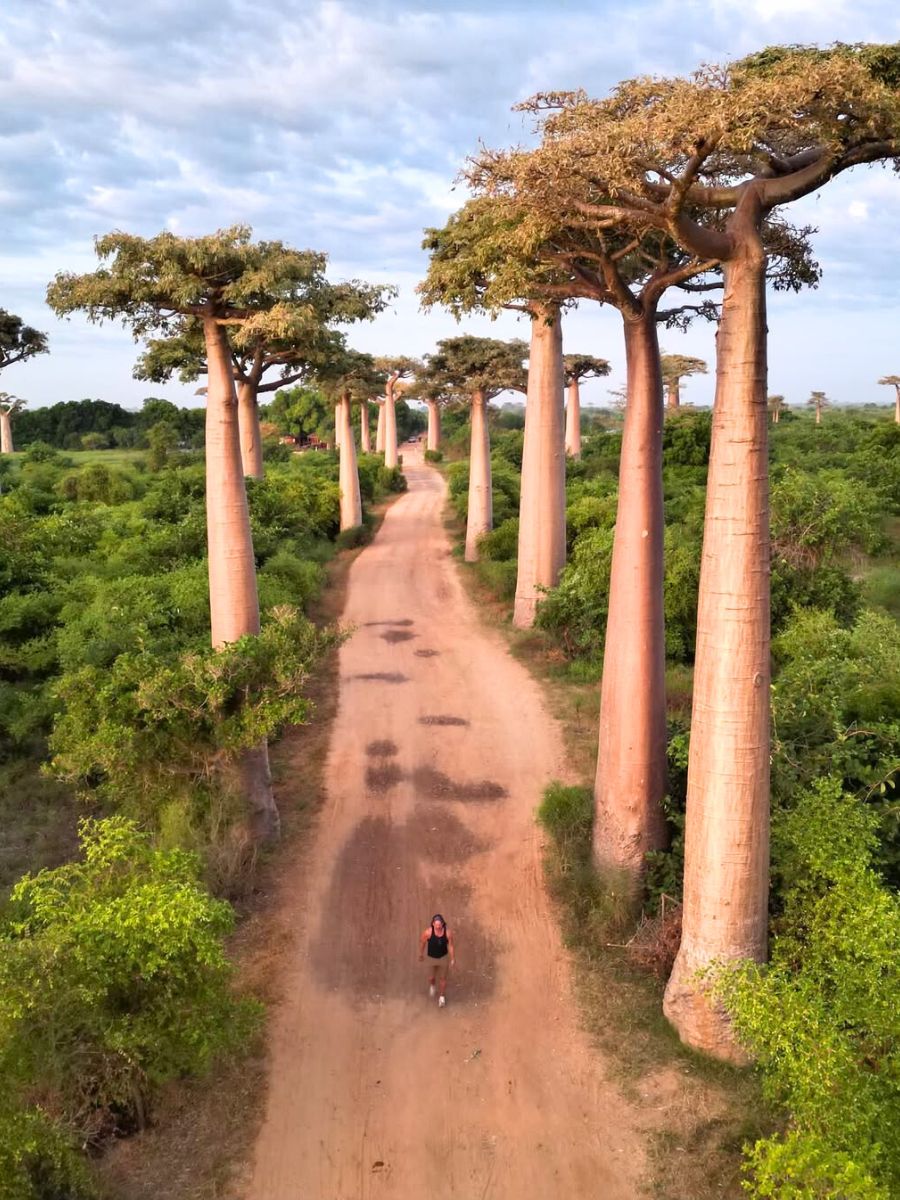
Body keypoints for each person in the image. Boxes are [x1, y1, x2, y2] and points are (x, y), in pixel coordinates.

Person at [418, 913, 455, 1007]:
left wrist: (452, 959)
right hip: (431, 958)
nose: (438, 926)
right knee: (431, 978)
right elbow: (422, 943)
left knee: (443, 979)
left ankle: (441, 997)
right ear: (433, 924)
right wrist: (421, 954)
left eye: (440, 924)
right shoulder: (428, 933)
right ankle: (432, 986)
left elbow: (450, 946)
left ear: (442, 924)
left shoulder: (448, 933)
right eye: (436, 924)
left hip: (443, 958)